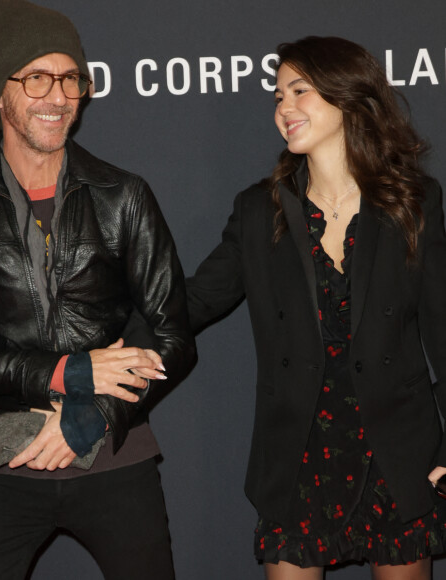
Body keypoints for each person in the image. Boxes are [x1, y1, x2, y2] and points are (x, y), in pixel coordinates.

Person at [0, 1, 194, 578]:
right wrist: (66, 372)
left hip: (117, 453)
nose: (58, 95)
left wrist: (91, 414)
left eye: (70, 77)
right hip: (8, 459)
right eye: (36, 77)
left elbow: (174, 333)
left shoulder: (123, 195)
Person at [186, 36, 446, 579]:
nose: (283, 108)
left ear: (349, 97)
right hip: (297, 452)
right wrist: (104, 345)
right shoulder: (260, 211)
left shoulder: (414, 202)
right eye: (278, 96)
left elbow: (443, 330)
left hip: (395, 449)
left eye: (299, 91)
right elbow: (192, 302)